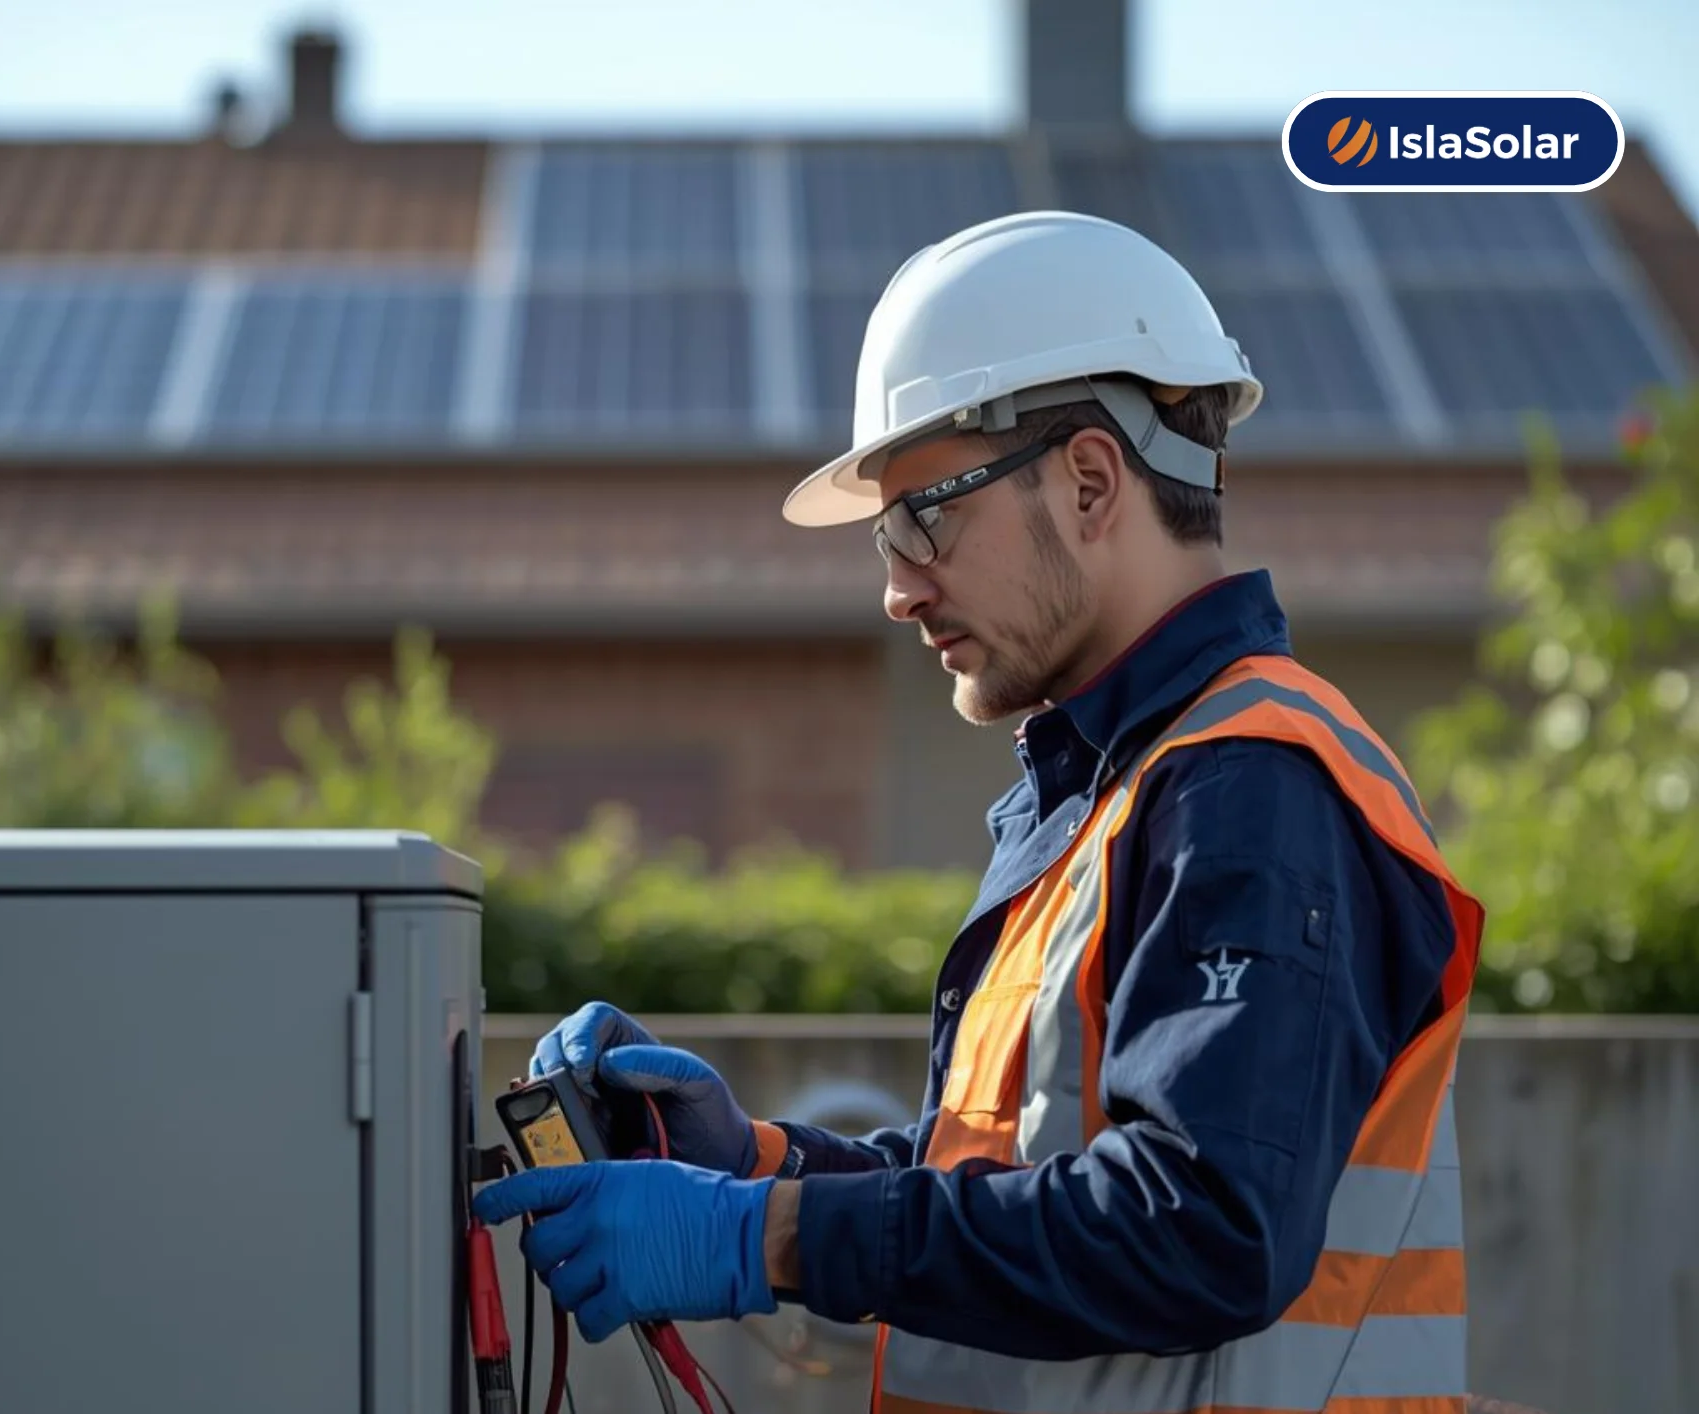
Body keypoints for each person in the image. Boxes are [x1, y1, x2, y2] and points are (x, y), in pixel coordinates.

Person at [474, 211, 1486, 1414]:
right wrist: (762, 1163)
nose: (897, 587)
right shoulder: (1105, 790)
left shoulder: (1252, 784)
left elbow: (1200, 1226)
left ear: (1091, 481)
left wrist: (769, 1235)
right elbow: (1015, 1179)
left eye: (924, 516)